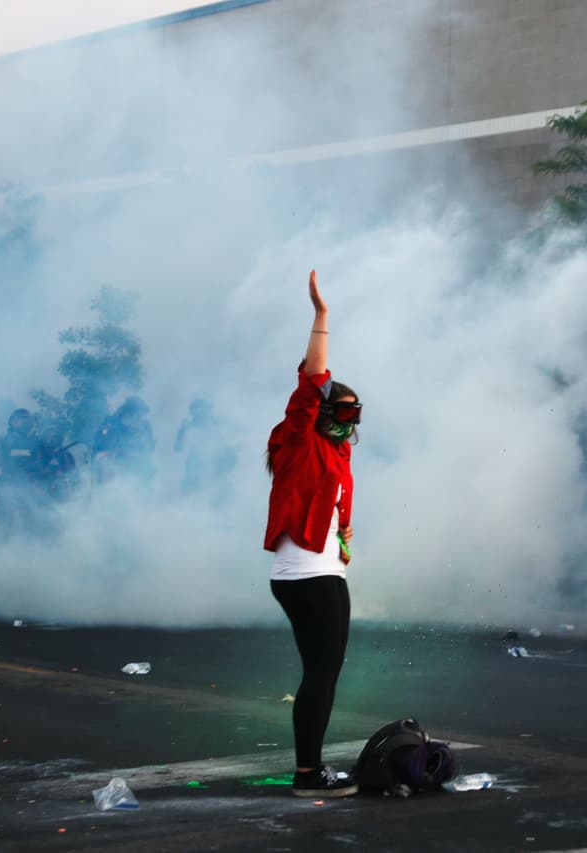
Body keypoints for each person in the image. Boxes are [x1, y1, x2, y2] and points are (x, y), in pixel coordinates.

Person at [263, 269, 363, 798]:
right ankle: (308, 773)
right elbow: (311, 385)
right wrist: (321, 320)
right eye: (343, 411)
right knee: (321, 676)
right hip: (308, 575)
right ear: (321, 412)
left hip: (319, 572)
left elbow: (341, 477)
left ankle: (310, 769)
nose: (351, 421)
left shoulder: (334, 451)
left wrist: (345, 540)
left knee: (323, 673)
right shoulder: (299, 443)